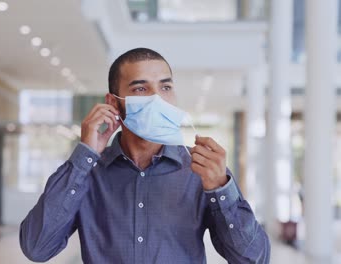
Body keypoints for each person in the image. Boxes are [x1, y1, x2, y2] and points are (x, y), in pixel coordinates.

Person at [20, 48, 270, 263]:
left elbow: (252, 259)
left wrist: (220, 190)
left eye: (166, 86)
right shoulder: (87, 173)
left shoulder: (201, 172)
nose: (157, 99)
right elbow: (36, 247)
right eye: (141, 88)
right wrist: (84, 156)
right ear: (114, 102)